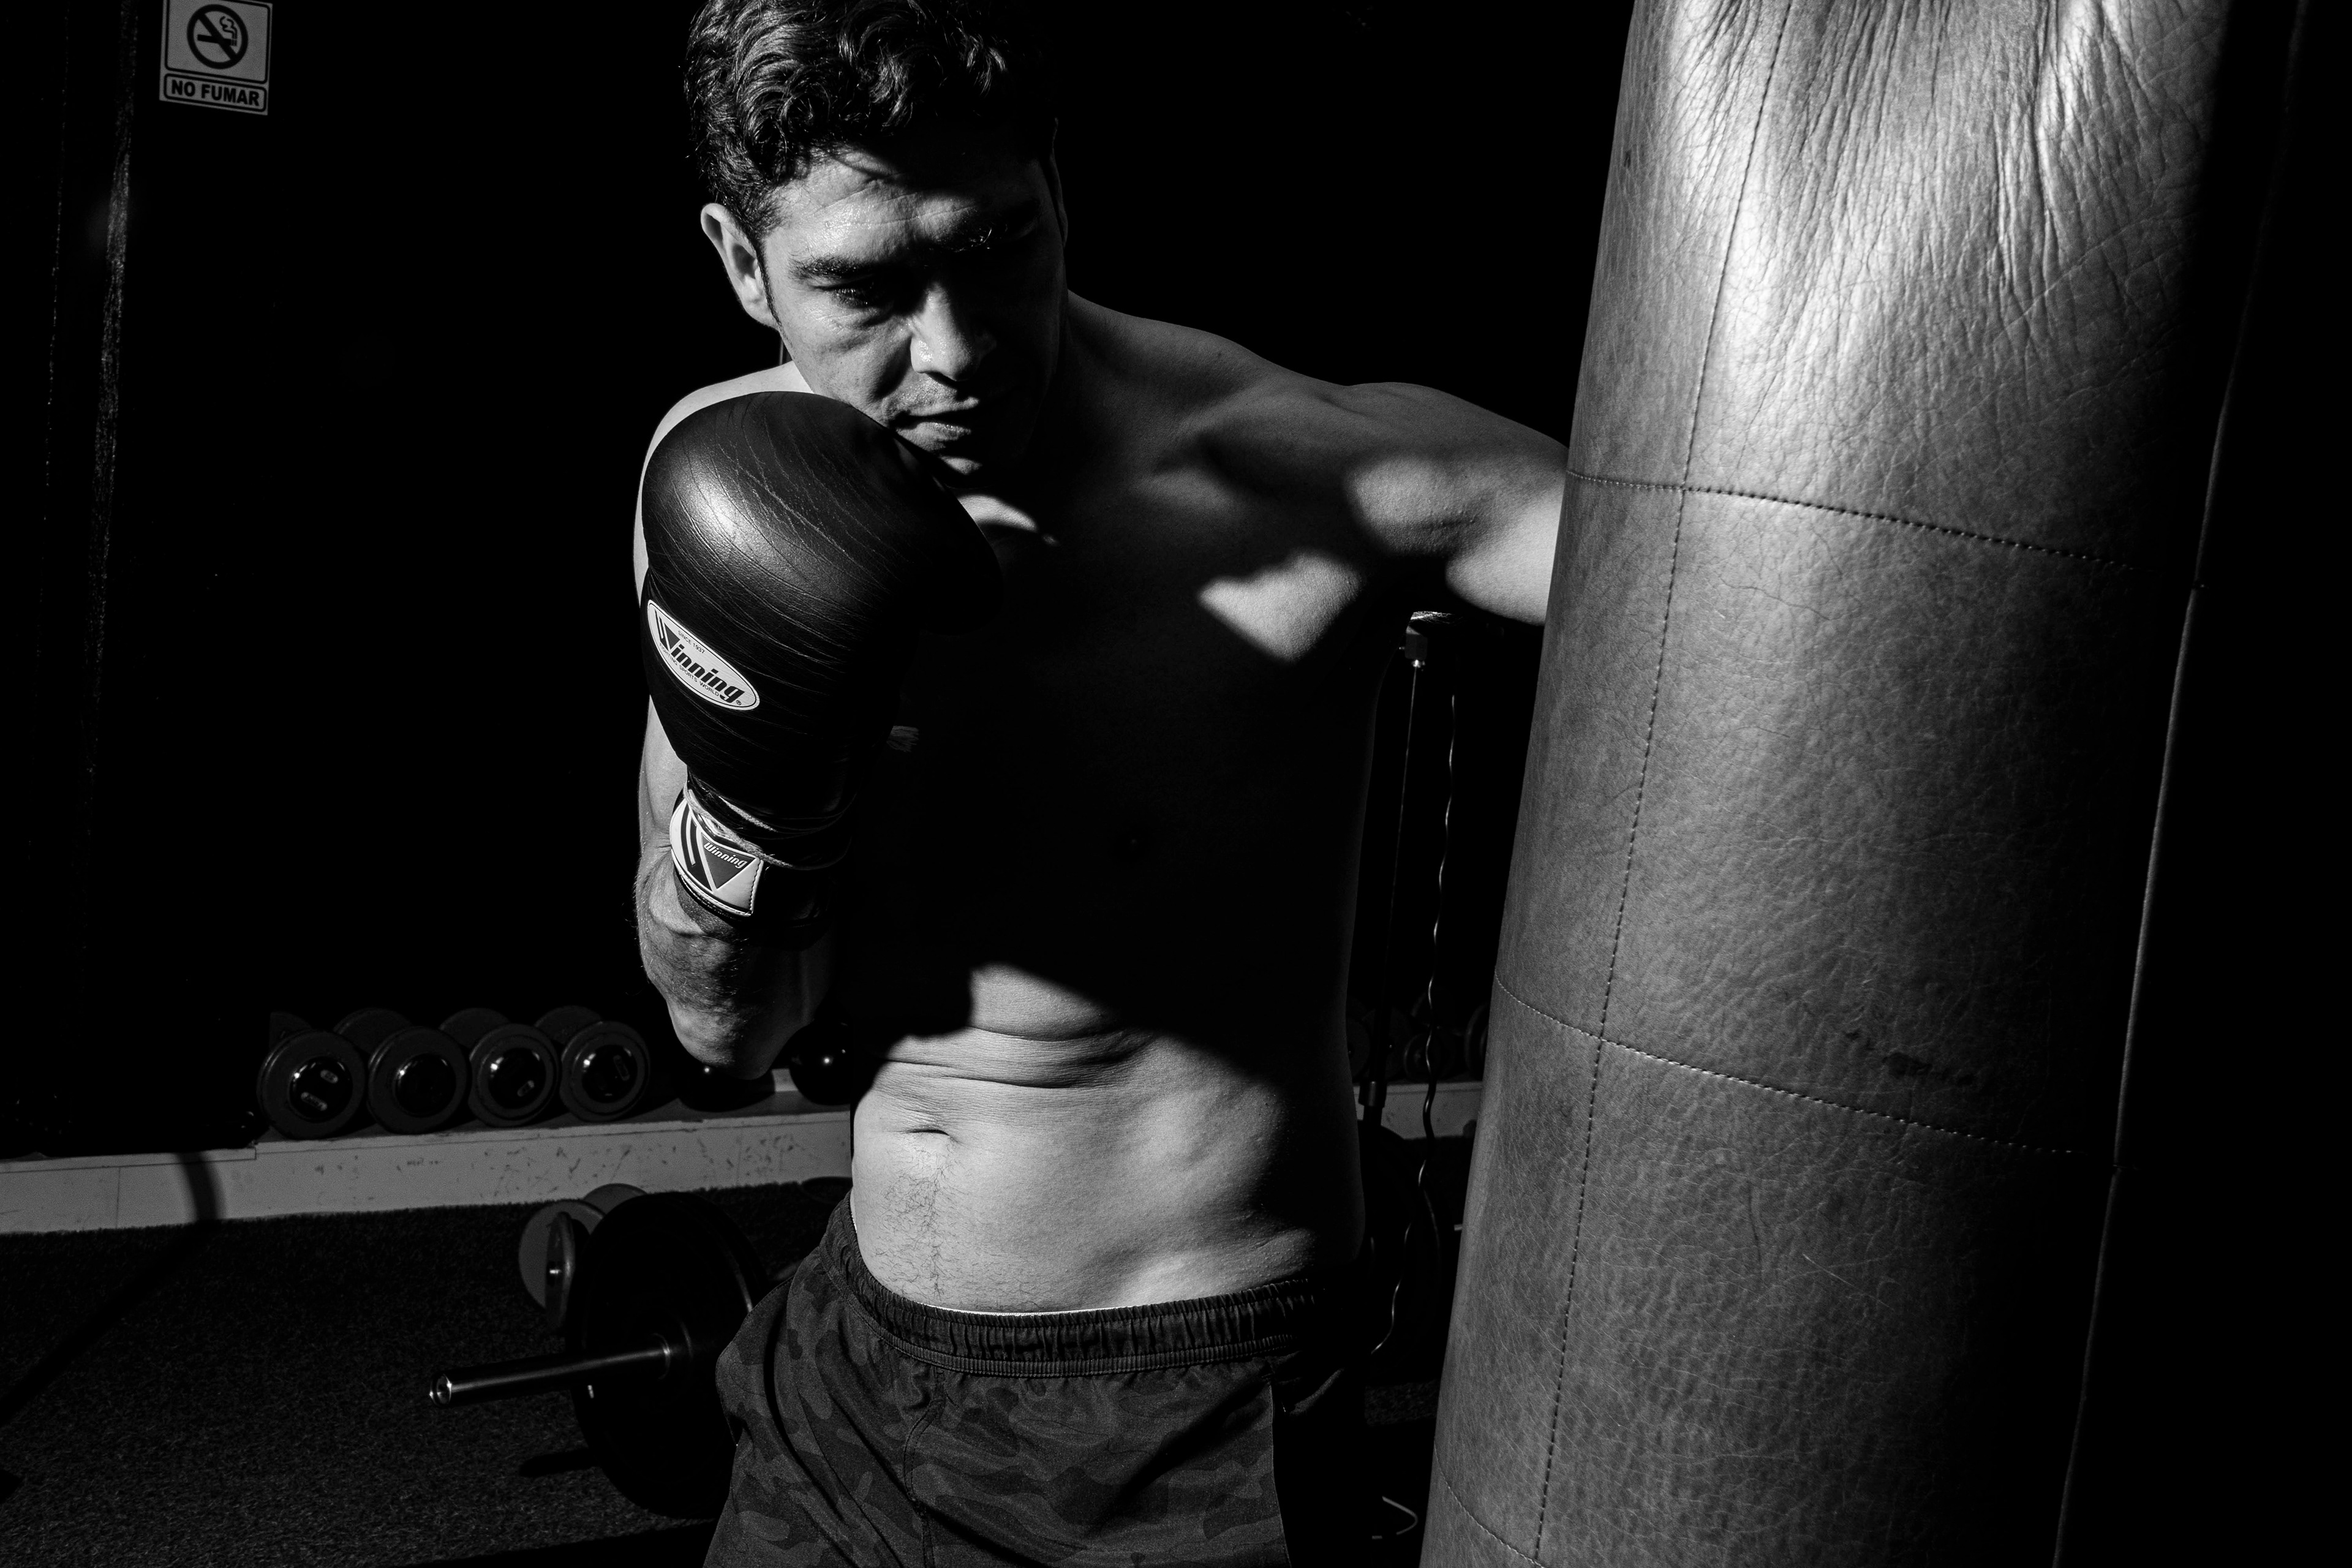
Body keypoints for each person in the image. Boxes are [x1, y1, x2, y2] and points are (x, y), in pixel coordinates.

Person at [633, 2, 1564, 1561]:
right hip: (853, 1359)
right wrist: (756, 802)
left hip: (1178, 1405)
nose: (957, 349)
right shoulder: (723, 486)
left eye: (997, 244)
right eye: (865, 285)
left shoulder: (1299, 481)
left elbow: (1786, 567)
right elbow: (726, 1023)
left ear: (1057, 189)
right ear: (744, 264)